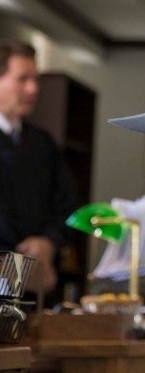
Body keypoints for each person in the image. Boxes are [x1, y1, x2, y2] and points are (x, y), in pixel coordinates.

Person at [0, 39, 77, 300]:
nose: (33, 89)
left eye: (35, 79)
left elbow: (67, 204)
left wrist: (48, 242)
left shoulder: (42, 143)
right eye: (22, 79)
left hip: (36, 289)